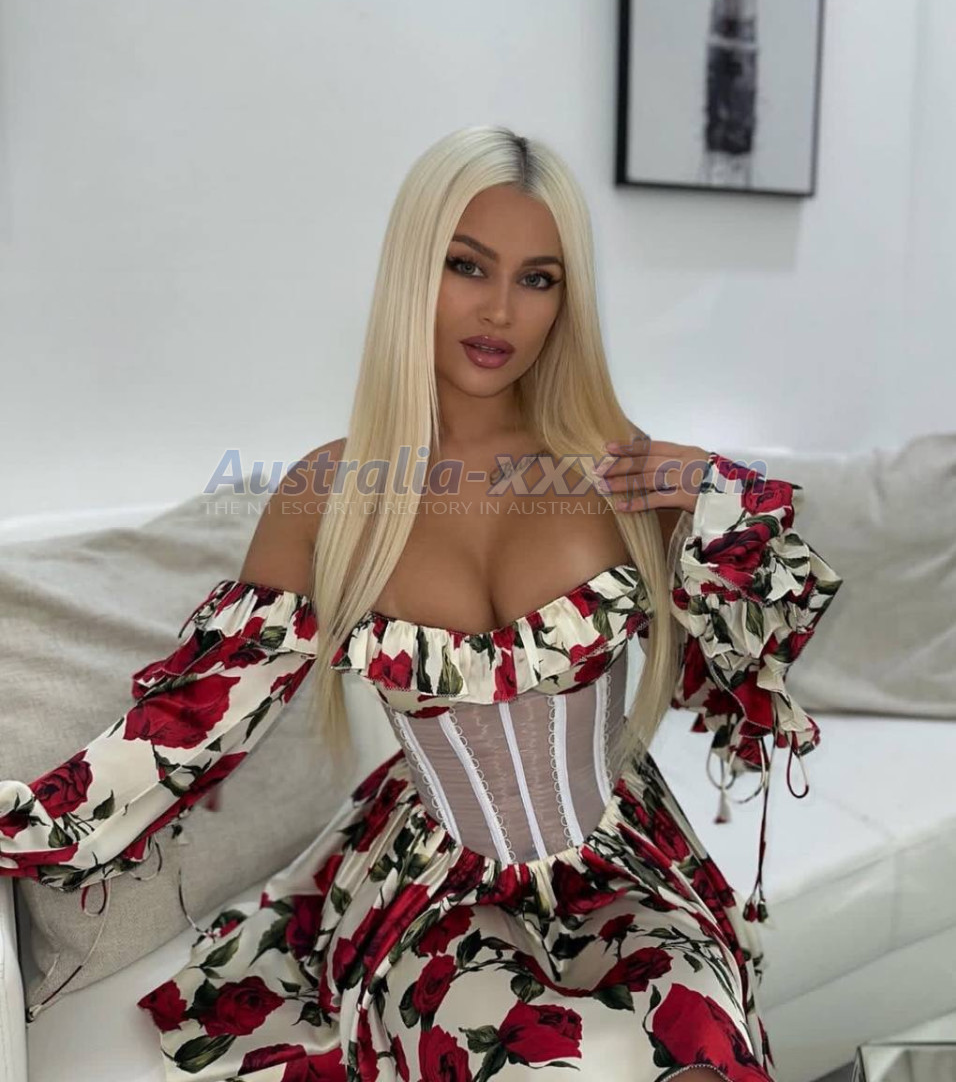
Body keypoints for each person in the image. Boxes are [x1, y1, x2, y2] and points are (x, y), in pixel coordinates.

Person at [0, 126, 844, 1081]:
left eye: (538, 278)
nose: (500, 310)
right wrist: (24, 824)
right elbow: (187, 728)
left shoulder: (615, 465)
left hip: (621, 856)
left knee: (704, 1042)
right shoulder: (328, 497)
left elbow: (757, 656)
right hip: (435, 881)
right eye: (466, 265)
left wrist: (721, 493)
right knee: (545, 1063)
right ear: (414, 270)